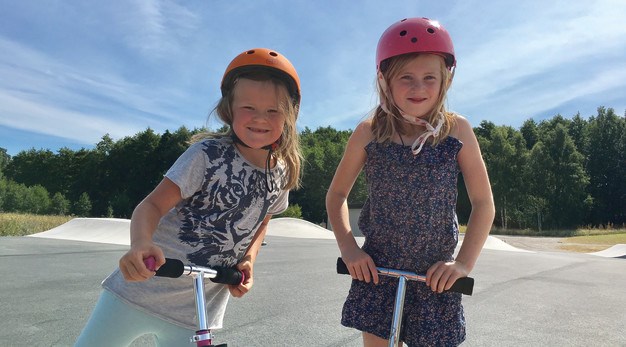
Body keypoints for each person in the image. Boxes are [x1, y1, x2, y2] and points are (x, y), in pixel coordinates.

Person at [75, 47, 302, 347]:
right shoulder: (206, 156)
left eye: (273, 110)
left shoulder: (281, 173)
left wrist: (248, 260)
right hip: (141, 290)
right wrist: (141, 243)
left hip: (197, 311)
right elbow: (152, 205)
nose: (260, 118)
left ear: (288, 115)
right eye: (248, 107)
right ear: (229, 109)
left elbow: (262, 221)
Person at [326, 18, 495, 346]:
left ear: (445, 80)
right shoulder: (368, 132)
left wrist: (462, 264)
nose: (419, 88)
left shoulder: (456, 130)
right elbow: (337, 194)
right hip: (378, 273)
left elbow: (484, 203)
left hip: (436, 279)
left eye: (429, 78)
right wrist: (349, 249)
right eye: (406, 78)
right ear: (384, 80)